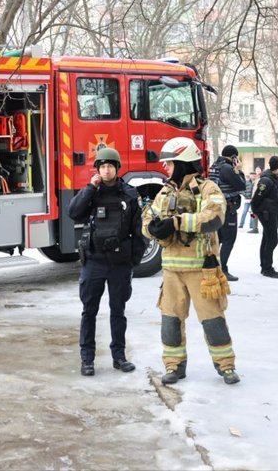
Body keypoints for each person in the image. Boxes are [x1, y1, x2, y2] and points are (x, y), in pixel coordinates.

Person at [142, 137, 240, 385]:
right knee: (170, 321)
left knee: (213, 320)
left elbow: (214, 217)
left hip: (202, 270)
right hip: (172, 271)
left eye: (169, 163)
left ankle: (226, 366)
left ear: (183, 162)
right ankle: (174, 366)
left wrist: (176, 222)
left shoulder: (208, 189)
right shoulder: (164, 192)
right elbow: (147, 219)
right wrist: (153, 229)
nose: (165, 168)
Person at [68, 147, 147, 377]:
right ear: (98, 169)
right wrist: (90, 188)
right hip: (94, 261)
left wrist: (133, 260)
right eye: (102, 166)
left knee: (118, 311)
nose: (106, 170)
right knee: (89, 311)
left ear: (117, 168)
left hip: (119, 263)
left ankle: (119, 356)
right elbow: (73, 213)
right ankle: (87, 359)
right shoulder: (92, 192)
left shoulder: (129, 194)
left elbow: (138, 231)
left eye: (110, 166)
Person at [208, 145, 246, 281]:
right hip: (228, 208)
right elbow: (242, 186)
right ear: (234, 157)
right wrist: (239, 171)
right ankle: (222, 269)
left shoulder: (214, 166)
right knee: (229, 239)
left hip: (215, 208)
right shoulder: (228, 169)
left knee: (218, 239)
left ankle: (213, 268)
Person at [251, 156, 278, 278]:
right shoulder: (267, 180)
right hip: (267, 213)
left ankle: (264, 266)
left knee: (267, 239)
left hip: (271, 212)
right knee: (272, 240)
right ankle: (267, 268)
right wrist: (256, 210)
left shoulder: (274, 178)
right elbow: (257, 197)